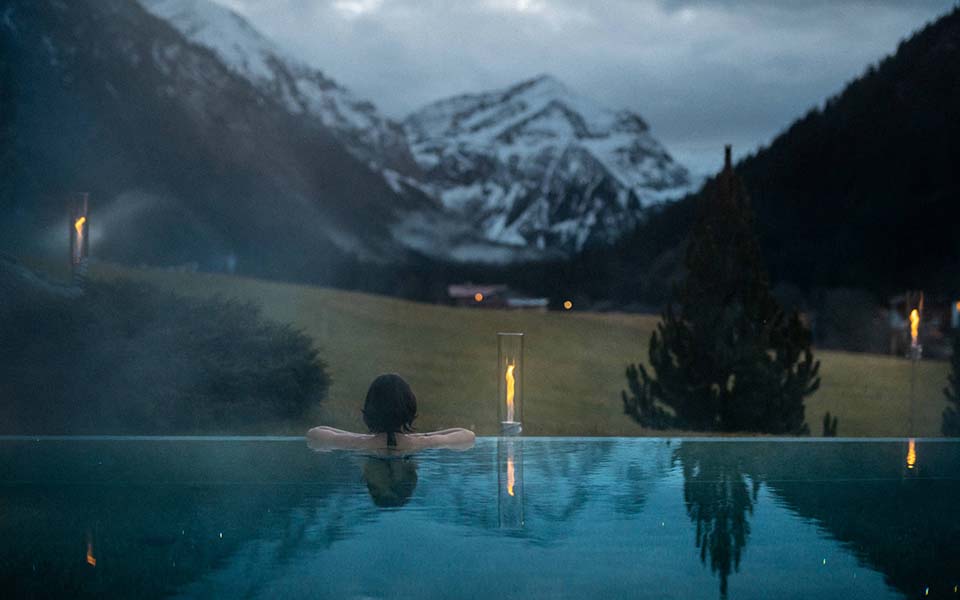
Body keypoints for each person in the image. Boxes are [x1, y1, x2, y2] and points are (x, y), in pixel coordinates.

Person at [306, 373, 475, 451]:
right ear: (410, 408)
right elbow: (467, 435)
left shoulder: (357, 443)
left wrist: (358, 437)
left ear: (370, 409)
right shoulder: (422, 443)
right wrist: (421, 437)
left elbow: (315, 433)